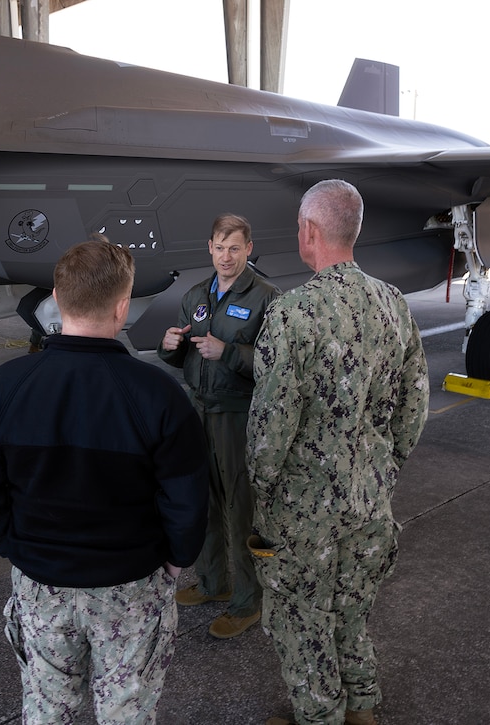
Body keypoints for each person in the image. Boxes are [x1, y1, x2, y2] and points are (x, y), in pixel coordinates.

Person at [0, 240, 210, 724]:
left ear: (56, 297)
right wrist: (177, 561)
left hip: (40, 583)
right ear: (122, 305)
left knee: (49, 710)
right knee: (126, 712)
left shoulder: (5, 386)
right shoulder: (157, 393)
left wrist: (17, 547)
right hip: (130, 584)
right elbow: (187, 499)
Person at [247, 180, 429, 725]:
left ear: (308, 232)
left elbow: (268, 431)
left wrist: (262, 489)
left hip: (304, 514)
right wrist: (383, 468)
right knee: (351, 613)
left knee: (302, 622)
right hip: (371, 503)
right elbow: (415, 404)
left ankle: (319, 716)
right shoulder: (393, 303)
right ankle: (363, 711)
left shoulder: (291, 313)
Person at [157, 213, 279, 639]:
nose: (226, 257)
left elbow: (275, 365)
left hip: (237, 415)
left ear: (248, 249)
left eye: (235, 248)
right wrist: (168, 347)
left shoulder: (266, 296)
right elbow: (186, 354)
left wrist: (228, 352)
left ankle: (247, 602)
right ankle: (212, 583)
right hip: (198, 412)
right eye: (219, 247)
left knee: (241, 510)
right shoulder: (195, 296)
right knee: (203, 503)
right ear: (209, 247)